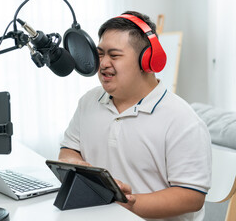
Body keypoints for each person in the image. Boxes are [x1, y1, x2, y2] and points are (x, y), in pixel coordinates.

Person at [58, 11, 212, 221]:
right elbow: (69, 149)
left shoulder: (182, 120)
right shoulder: (89, 101)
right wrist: (81, 168)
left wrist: (129, 203)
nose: (103, 64)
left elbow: (191, 197)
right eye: (100, 54)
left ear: (147, 60)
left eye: (114, 55)